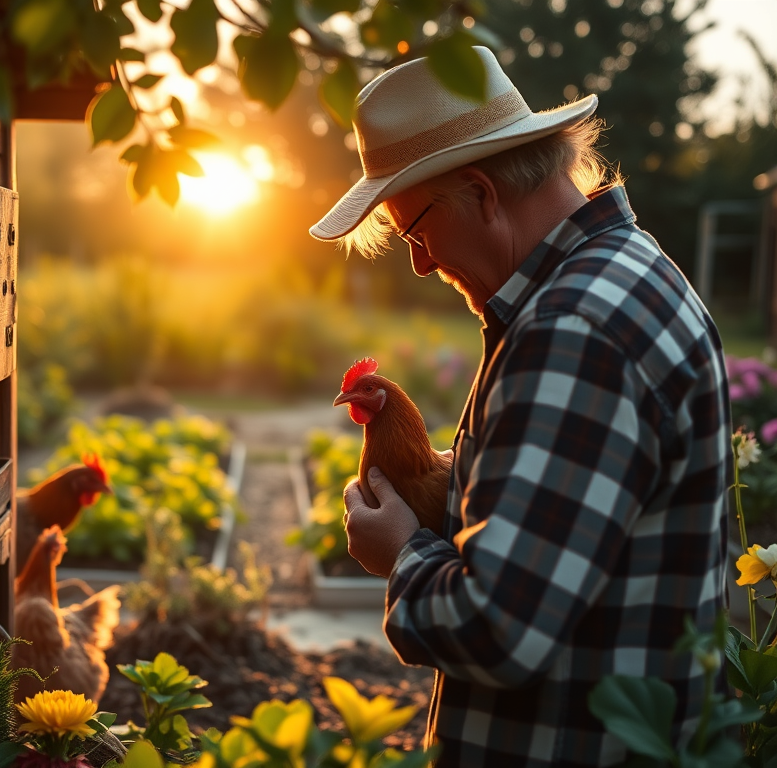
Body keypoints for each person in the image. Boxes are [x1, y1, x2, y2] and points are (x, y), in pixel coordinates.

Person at [310, 47, 730, 767]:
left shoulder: (572, 331)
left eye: (414, 230)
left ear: (480, 191)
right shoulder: (633, 270)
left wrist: (400, 554)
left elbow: (499, 628)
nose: (419, 262)